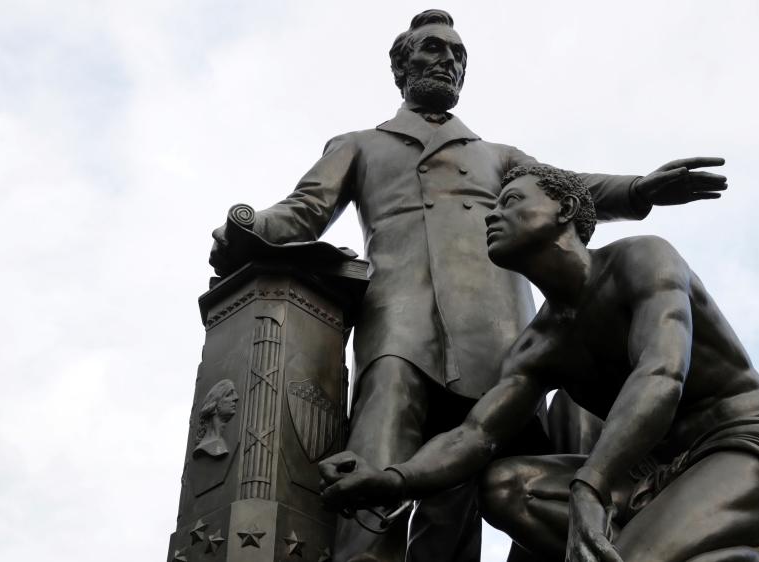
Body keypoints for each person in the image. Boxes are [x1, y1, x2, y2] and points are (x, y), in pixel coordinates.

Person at [210, 10, 728, 562]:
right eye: (434, 49)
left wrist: (638, 189)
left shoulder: (498, 157)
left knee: (526, 477)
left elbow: (568, 189)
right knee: (379, 473)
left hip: (502, 333)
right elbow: (304, 211)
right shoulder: (360, 145)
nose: (448, 62)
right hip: (401, 331)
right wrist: (245, 227)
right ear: (400, 66)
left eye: (459, 56)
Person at [318, 166, 759, 562]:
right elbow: (475, 436)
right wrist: (393, 480)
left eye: (511, 201)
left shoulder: (643, 259)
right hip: (651, 479)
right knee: (504, 486)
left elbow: (661, 375)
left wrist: (590, 486)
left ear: (566, 208)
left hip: (744, 450)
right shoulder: (537, 344)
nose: (491, 214)